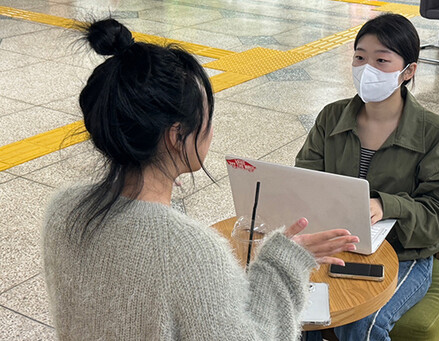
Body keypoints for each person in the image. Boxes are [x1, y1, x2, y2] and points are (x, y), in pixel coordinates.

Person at [41, 19, 359, 341]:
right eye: (207, 116)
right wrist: (281, 264)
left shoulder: (62, 211)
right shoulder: (189, 251)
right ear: (176, 135)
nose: (210, 129)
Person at [296, 13, 439, 341]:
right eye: (360, 58)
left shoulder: (432, 133)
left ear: (409, 71)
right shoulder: (331, 117)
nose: (367, 69)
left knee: (363, 323)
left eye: (381, 60)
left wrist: (386, 206)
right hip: (337, 245)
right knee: (297, 307)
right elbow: (306, 180)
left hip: (406, 253)